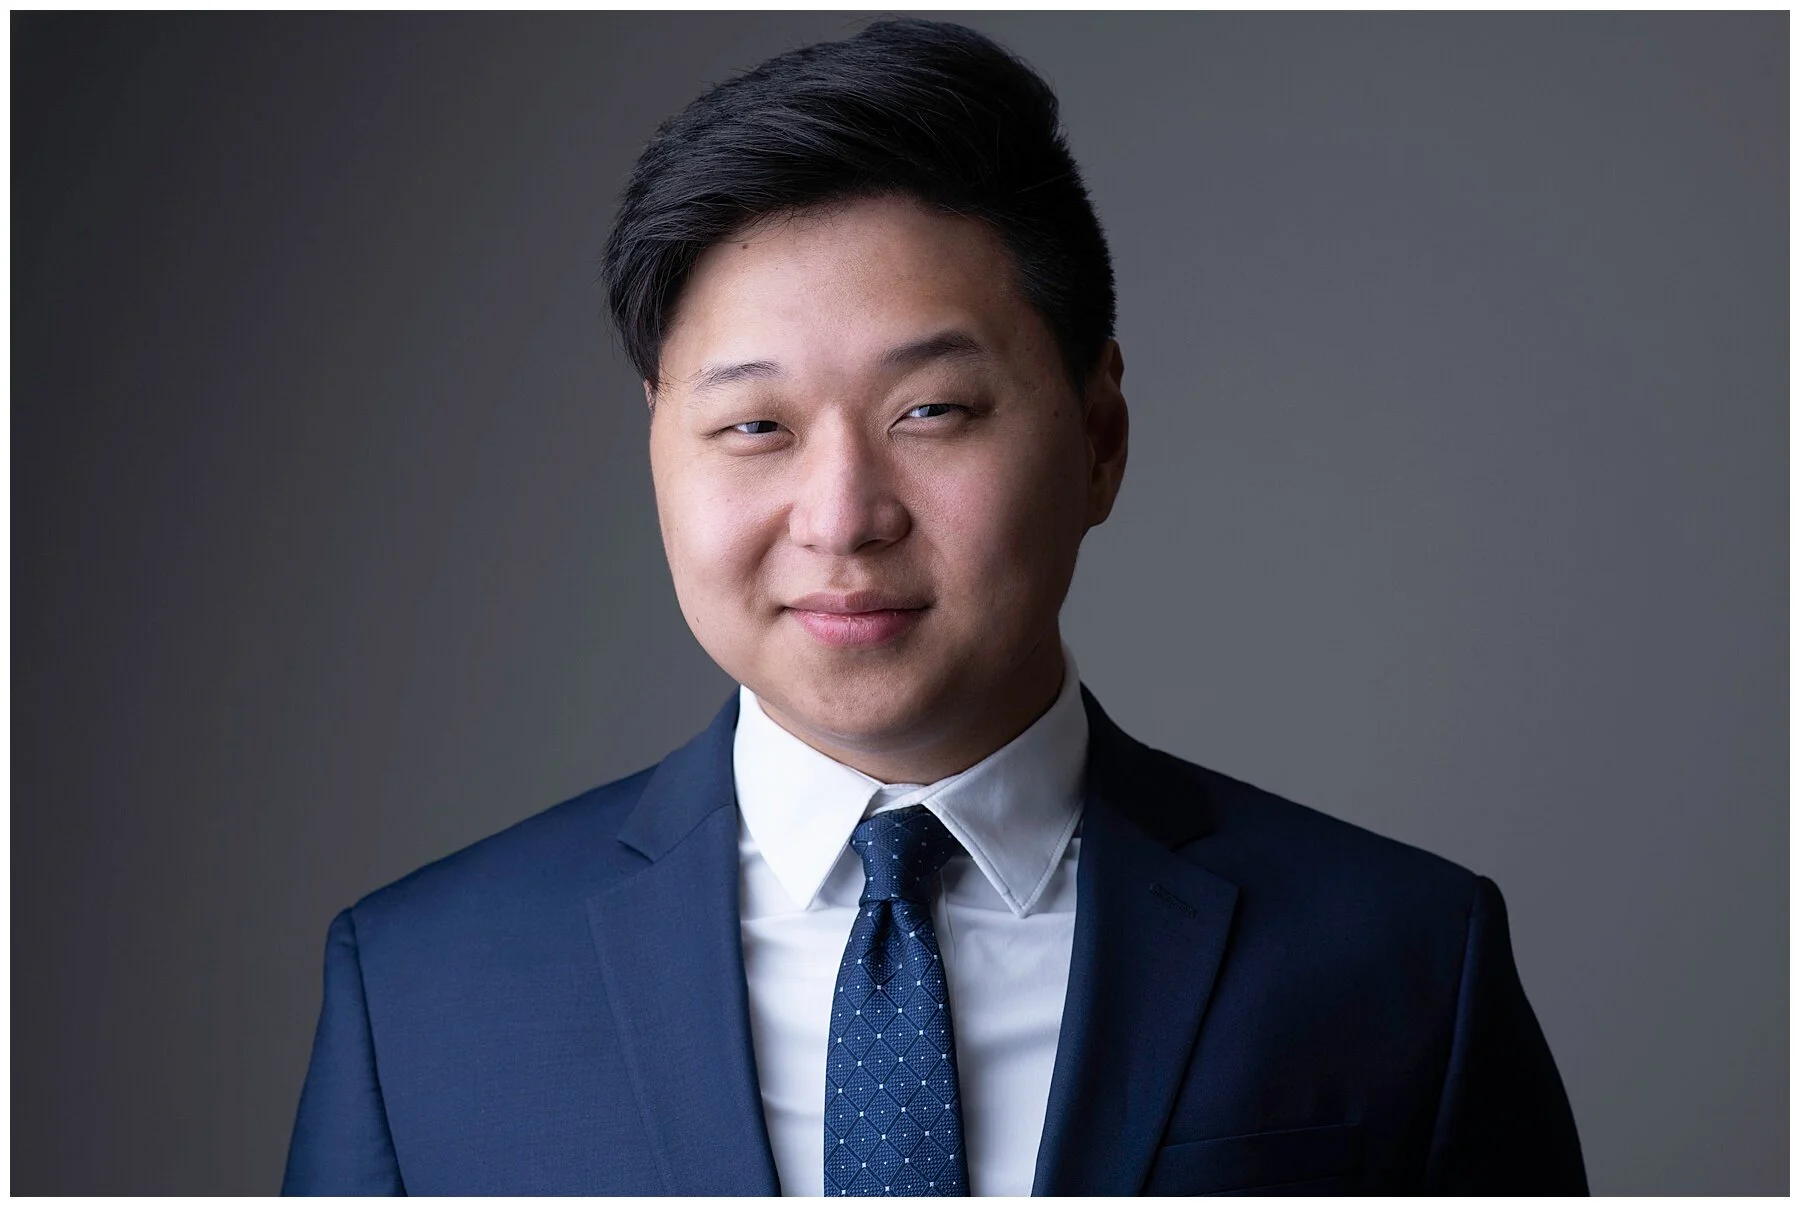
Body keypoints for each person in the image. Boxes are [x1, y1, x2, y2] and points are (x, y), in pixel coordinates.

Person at [282, 18, 1586, 1196]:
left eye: (933, 412)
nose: (842, 515)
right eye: (754, 424)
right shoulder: (421, 991)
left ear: (1101, 432)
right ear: (659, 453)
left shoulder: (1401, 965)